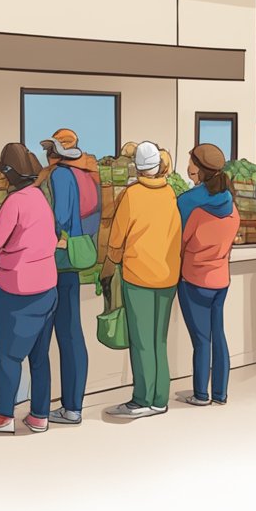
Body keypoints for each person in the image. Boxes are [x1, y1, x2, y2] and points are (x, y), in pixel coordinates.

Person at [0, 144, 58, 434]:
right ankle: (39, 416)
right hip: (47, 287)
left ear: (9, 173)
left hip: (17, 289)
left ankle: (4, 416)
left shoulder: (15, 201)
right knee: (39, 355)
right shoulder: (39, 198)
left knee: (8, 355)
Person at [104, 141, 182, 418]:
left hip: (138, 276)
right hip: (168, 275)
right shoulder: (170, 193)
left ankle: (142, 399)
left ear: (138, 167)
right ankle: (160, 399)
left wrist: (111, 261)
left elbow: (116, 239)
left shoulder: (132, 195)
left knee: (141, 341)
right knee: (159, 340)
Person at [37, 128, 102, 426]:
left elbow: (61, 215)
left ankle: (61, 407)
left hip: (57, 261)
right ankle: (73, 405)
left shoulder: (60, 176)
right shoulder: (86, 174)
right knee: (72, 333)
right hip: (74, 260)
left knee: (55, 335)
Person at [176, 144, 240, 406]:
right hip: (221, 279)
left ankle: (201, 393)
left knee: (202, 340)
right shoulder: (230, 203)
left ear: (200, 169)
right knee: (218, 335)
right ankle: (221, 393)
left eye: (191, 162)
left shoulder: (188, 202)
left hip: (194, 279)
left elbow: (178, 241)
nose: (188, 167)